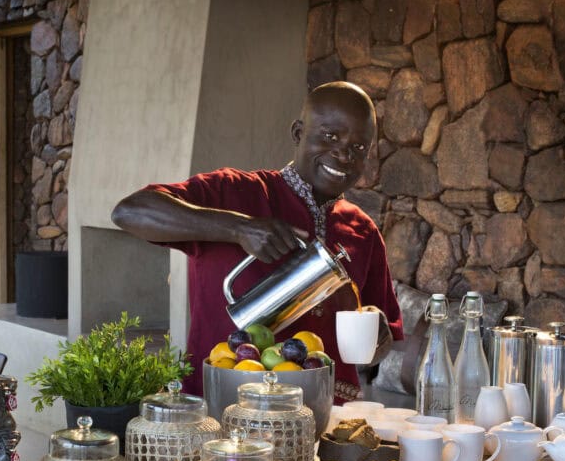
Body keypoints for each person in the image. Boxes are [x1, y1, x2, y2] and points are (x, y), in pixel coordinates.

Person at [111, 81, 402, 403]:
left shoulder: (362, 230)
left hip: (323, 412)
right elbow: (129, 212)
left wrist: (375, 332)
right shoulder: (232, 193)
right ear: (297, 133)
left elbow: (377, 348)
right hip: (225, 404)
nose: (344, 155)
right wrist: (238, 228)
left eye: (359, 147)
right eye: (330, 136)